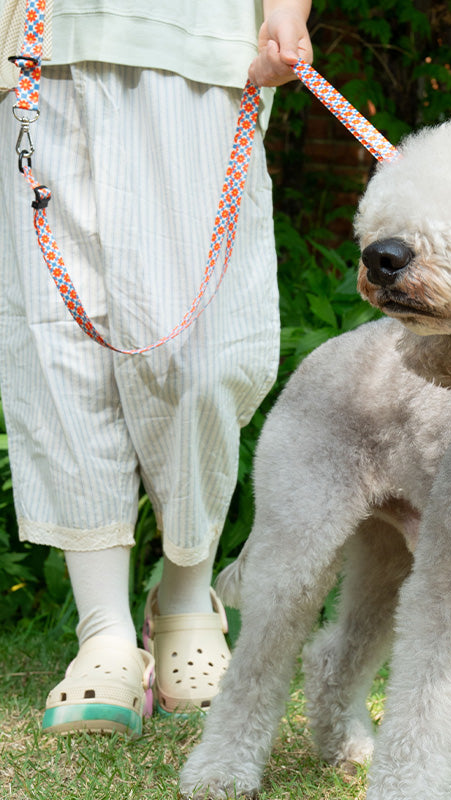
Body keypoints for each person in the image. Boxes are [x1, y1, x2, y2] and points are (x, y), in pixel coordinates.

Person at [0, 0, 312, 736]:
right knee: (59, 346)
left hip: (203, 50)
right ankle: (103, 633)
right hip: (39, 46)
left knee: (205, 351)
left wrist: (289, 13)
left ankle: (186, 599)